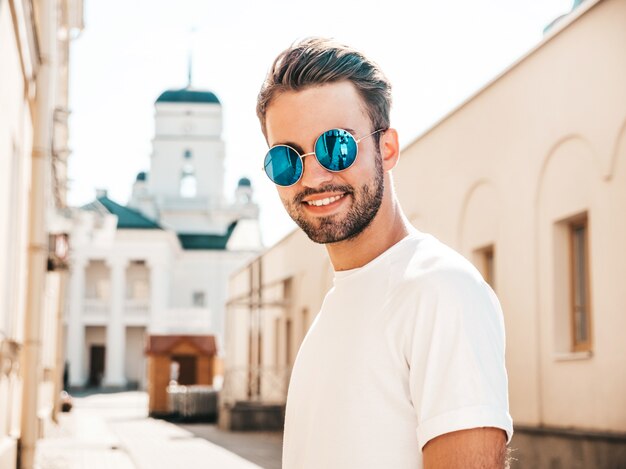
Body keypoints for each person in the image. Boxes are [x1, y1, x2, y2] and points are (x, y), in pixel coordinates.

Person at [256, 37, 513, 469]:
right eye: (287, 159)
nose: (314, 176)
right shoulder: (335, 310)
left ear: (387, 148)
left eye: (335, 146)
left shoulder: (440, 290)